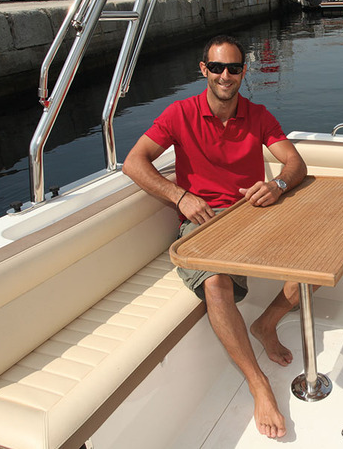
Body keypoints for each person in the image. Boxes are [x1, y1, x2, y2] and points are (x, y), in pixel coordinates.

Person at [122, 34, 307, 439]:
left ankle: (266, 325)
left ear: (244, 71)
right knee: (216, 283)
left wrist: (276, 186)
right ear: (204, 70)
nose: (226, 76)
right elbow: (133, 163)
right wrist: (179, 195)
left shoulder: (257, 116)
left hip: (252, 213)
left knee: (309, 264)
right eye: (218, 67)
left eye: (235, 68)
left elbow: (294, 162)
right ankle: (259, 385)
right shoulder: (179, 114)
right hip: (203, 221)